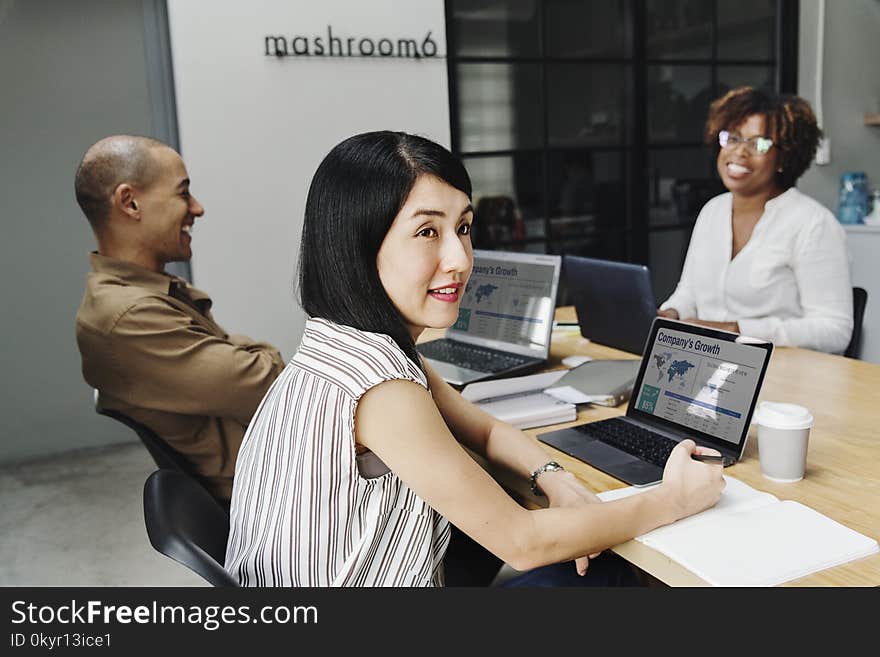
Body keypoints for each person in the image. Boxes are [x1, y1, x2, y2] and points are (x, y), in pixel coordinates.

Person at [224, 131, 725, 587]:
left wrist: (556, 479)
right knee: (620, 577)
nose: (461, 259)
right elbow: (523, 542)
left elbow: (484, 431)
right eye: (427, 233)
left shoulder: (345, 342)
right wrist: (675, 498)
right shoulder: (381, 388)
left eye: (463, 227)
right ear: (357, 245)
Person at [74, 135, 286, 502]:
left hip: (280, 469)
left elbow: (252, 371)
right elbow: (270, 384)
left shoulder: (147, 292)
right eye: (182, 193)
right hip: (279, 499)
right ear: (130, 202)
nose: (197, 208)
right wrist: (257, 354)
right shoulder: (129, 315)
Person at [658, 87, 853, 354]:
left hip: (784, 375)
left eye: (758, 143)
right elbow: (689, 293)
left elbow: (834, 330)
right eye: (733, 138)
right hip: (705, 363)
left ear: (784, 156)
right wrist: (670, 313)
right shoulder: (712, 211)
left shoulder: (813, 223)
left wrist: (737, 330)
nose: (739, 152)